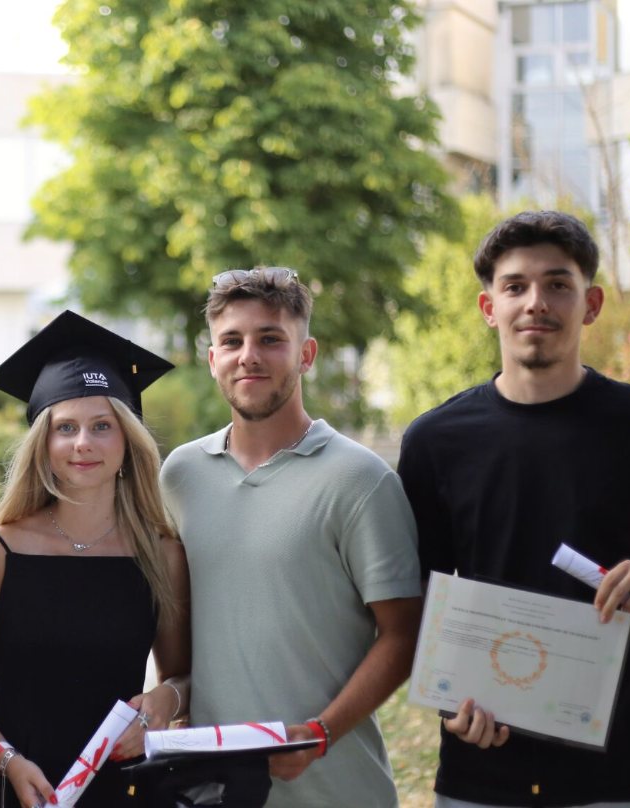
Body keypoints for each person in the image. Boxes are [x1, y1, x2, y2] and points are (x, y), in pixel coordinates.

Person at [397, 211, 630, 808]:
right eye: (515, 286)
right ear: (489, 307)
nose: (535, 301)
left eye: (557, 284)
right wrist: (447, 702)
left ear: (590, 303)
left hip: (629, 772)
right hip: (484, 769)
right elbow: (416, 602)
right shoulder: (435, 442)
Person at [159, 268, 424, 808]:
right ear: (212, 359)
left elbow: (404, 635)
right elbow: (178, 630)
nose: (248, 356)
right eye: (231, 341)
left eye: (270, 339)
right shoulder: (181, 475)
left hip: (338, 792)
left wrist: (321, 733)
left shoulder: (361, 479)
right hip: (215, 792)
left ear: (307, 354)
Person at [0, 310, 193, 808]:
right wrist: (8, 760)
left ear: (127, 440)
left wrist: (165, 701)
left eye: (102, 426)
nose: (83, 443)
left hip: (121, 787)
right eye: (66, 427)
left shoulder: (162, 555)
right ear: (44, 443)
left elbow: (182, 675)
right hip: (12, 788)